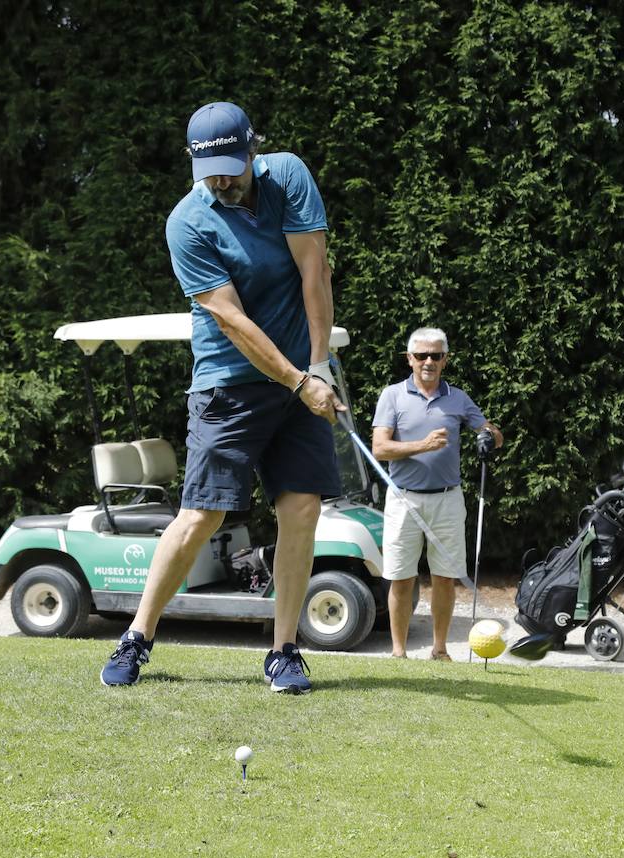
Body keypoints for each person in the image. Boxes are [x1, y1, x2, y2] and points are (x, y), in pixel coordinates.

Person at [100, 101, 345, 694]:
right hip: (227, 385)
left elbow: (315, 273)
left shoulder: (287, 177)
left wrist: (318, 366)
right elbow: (230, 319)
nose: (222, 181)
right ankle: (137, 635)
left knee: (302, 510)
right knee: (202, 515)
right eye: (211, 172)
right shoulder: (186, 223)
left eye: (233, 168)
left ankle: (284, 650)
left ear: (253, 152)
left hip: (300, 379)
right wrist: (298, 381)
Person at [372, 328, 503, 660]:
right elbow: (380, 448)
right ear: (409, 359)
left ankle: (440, 650)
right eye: (421, 355)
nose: (428, 361)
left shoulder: (457, 398)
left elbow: (490, 431)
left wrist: (489, 437)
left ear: (445, 359)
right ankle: (398, 653)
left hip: (447, 498)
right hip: (403, 499)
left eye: (435, 355)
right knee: (401, 578)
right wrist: (423, 445)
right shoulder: (392, 395)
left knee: (445, 578)